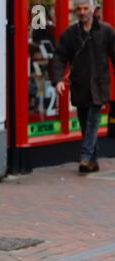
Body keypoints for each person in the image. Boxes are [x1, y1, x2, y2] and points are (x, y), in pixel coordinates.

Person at [52, 0, 115, 174]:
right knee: (84, 123)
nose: (82, 12)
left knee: (93, 122)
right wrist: (58, 79)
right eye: (79, 9)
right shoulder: (70, 34)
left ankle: (85, 157)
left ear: (93, 9)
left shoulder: (106, 31)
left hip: (99, 86)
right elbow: (59, 56)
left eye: (85, 8)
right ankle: (93, 161)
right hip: (80, 86)